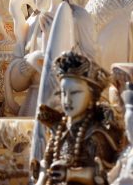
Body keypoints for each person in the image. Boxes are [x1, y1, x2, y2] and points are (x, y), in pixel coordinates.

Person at [35, 50, 122, 185]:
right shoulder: (59, 129)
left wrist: (71, 174)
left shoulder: (96, 134)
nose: (67, 100)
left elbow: (104, 173)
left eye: (75, 93)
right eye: (64, 93)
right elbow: (46, 162)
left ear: (91, 96)